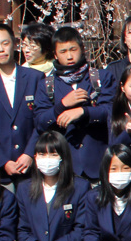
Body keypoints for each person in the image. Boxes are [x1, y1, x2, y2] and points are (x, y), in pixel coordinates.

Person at [35, 26, 116, 182]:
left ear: (82, 49)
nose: (69, 56)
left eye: (73, 49)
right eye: (63, 52)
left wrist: (84, 112)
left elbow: (111, 111)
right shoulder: (47, 84)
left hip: (97, 164)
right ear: (55, 55)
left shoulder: (100, 77)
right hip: (64, 167)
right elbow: (40, 122)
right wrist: (62, 105)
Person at [0, 22, 46, 185]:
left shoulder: (35, 78)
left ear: (15, 44)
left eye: (5, 43)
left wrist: (29, 153)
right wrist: (3, 161)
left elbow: (42, 120)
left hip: (33, 167)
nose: (1, 49)